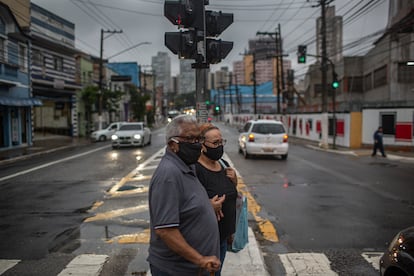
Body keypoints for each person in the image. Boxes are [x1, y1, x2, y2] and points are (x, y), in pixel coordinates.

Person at [147, 115, 221, 276]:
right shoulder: (168, 176)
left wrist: (206, 207)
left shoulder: (187, 165)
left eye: (198, 139)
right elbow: (165, 230)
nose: (197, 145)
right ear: (173, 144)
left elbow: (185, 205)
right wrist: (200, 259)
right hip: (178, 270)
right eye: (190, 139)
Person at [195, 123, 238, 276]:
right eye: (215, 143)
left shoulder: (223, 164)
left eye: (221, 142)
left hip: (222, 237)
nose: (220, 146)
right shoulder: (195, 170)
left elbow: (231, 196)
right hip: (205, 242)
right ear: (202, 145)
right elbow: (188, 202)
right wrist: (208, 206)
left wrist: (235, 182)